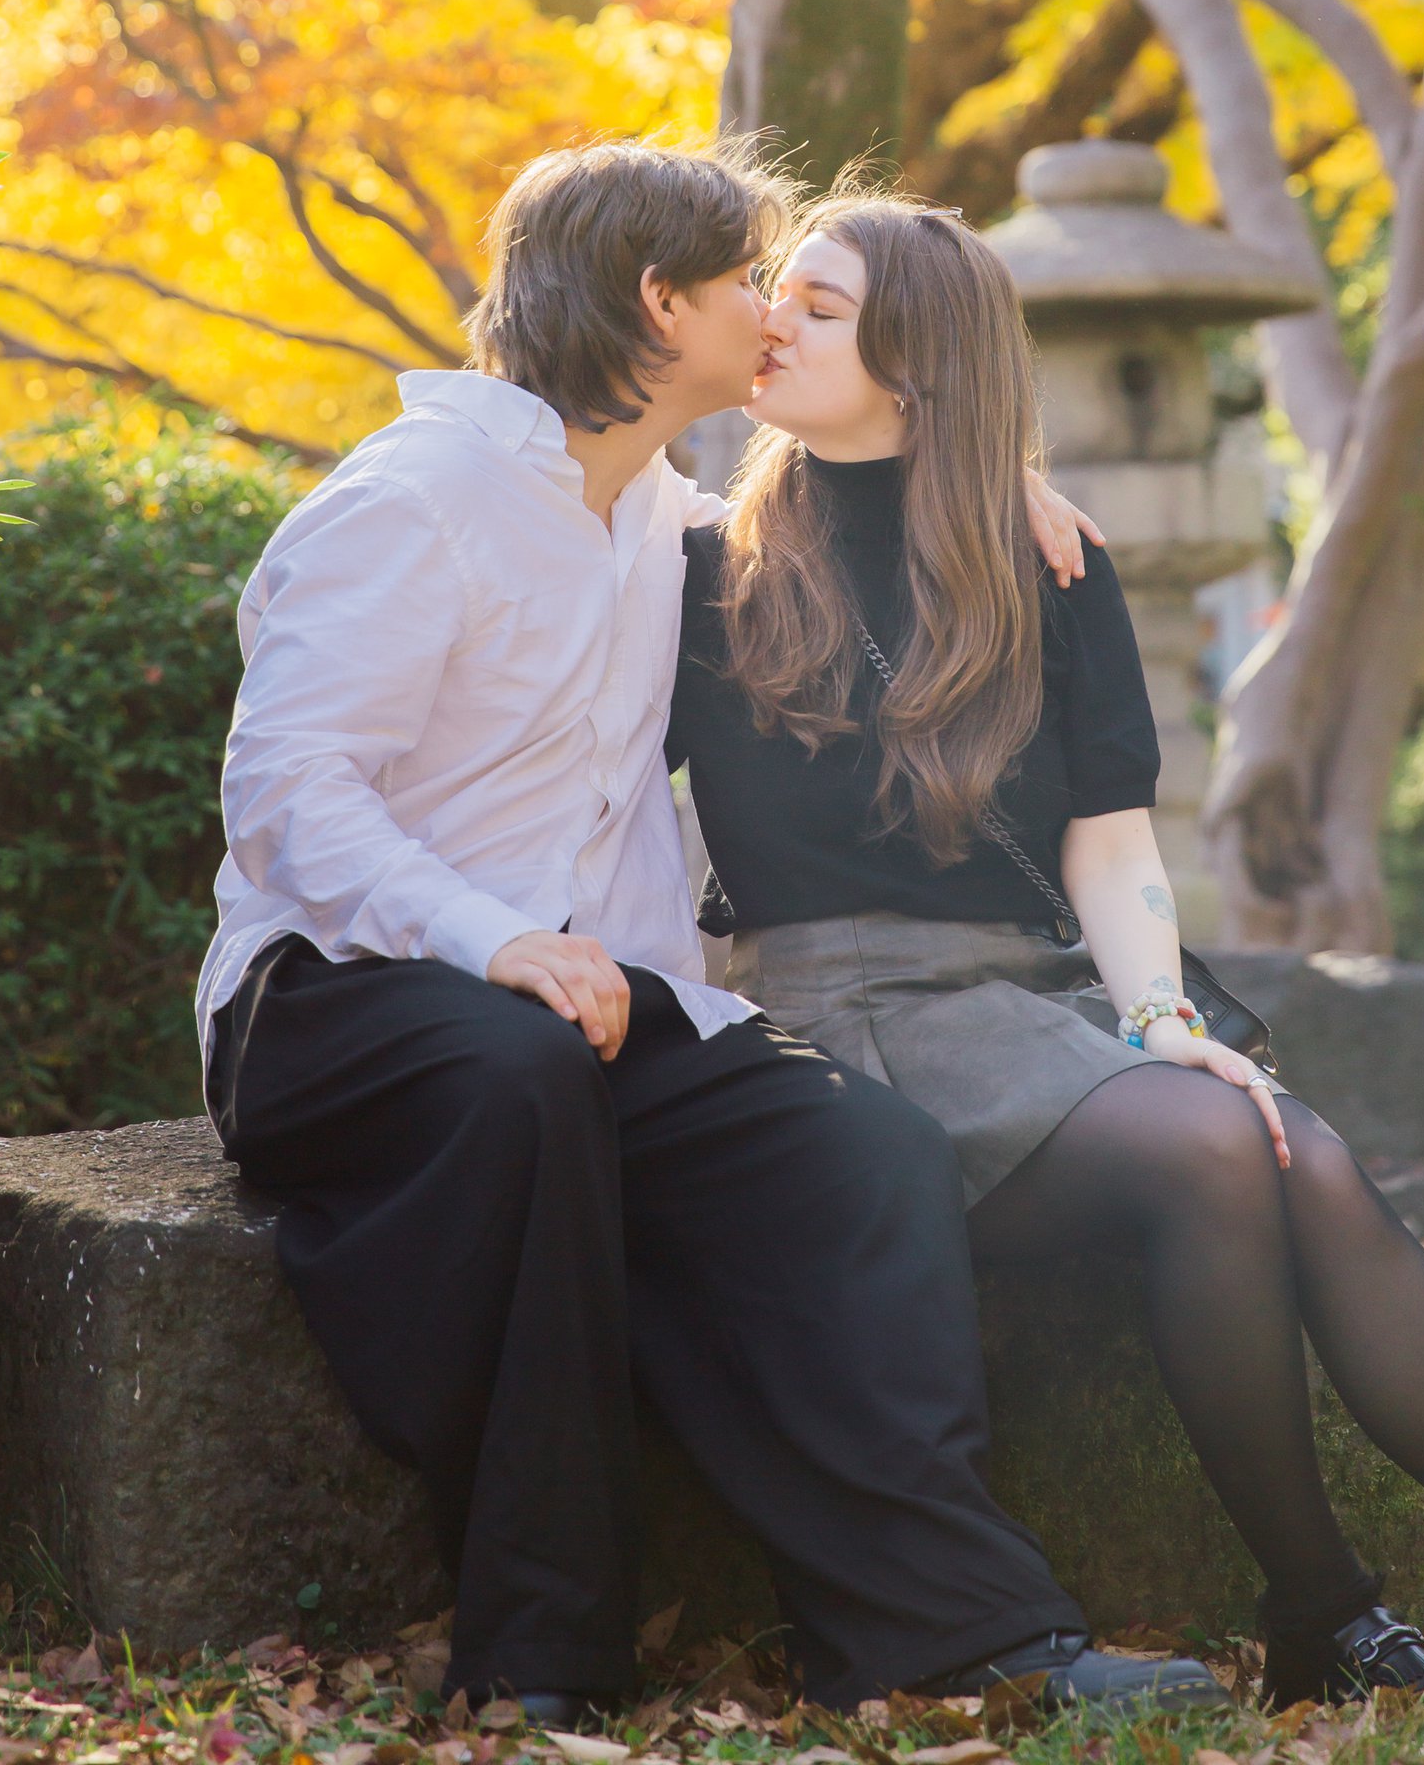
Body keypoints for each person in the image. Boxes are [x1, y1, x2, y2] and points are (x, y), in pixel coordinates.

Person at [667, 188, 1424, 1740]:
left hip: (1026, 1000)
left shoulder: (1044, 567)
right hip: (840, 1018)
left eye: (820, 303)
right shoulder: (695, 560)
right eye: (777, 290)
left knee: (1287, 1148)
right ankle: (1323, 1601)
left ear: (922, 368)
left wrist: (1159, 1014)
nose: (773, 318)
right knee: (1219, 1146)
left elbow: (1110, 842)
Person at [197, 139, 1232, 1725]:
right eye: (750, 278)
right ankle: (539, 1659)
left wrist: (984, 477)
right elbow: (285, 794)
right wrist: (490, 941)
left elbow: (845, 524)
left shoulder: (657, 522)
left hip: (586, 1009)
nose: (774, 308)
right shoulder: (413, 502)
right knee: (524, 1080)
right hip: (335, 999)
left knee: (864, 1154)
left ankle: (957, 1636)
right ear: (656, 301)